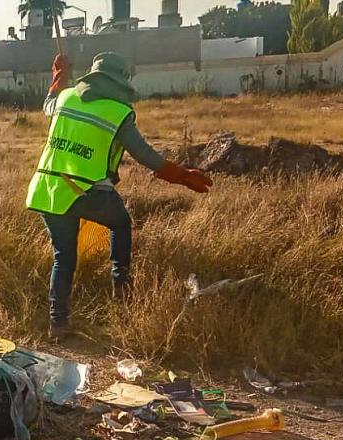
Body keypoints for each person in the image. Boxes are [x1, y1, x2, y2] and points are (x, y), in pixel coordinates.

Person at [26, 52, 213, 337]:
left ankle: (58, 323)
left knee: (64, 257)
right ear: (122, 81)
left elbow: (48, 104)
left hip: (48, 190)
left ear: (92, 76)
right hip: (88, 190)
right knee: (121, 224)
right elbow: (145, 155)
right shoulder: (118, 112)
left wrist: (59, 76)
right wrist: (184, 177)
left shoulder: (66, 98)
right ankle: (121, 289)